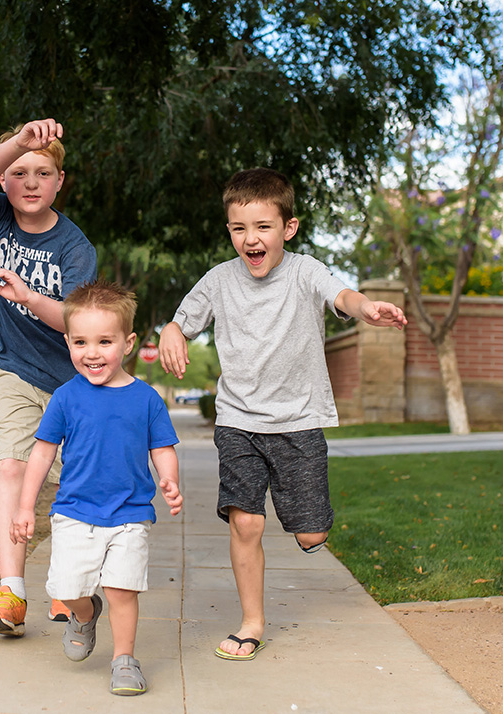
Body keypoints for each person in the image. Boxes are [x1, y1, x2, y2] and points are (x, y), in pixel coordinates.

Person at [158, 167, 407, 661]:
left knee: (312, 532)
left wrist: (367, 309)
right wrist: (171, 331)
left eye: (263, 227)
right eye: (238, 229)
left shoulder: (304, 270)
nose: (251, 239)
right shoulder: (219, 279)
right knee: (245, 523)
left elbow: (343, 295)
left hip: (298, 422)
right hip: (238, 422)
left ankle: (298, 507)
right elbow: (181, 321)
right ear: (229, 230)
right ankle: (251, 622)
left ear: (287, 228)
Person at [11, 280, 183, 696]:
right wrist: (24, 506)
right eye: (81, 342)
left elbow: (162, 447)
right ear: (67, 341)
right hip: (74, 512)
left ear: (128, 343)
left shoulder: (146, 399)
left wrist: (170, 479)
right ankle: (84, 616)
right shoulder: (66, 398)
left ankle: (124, 659)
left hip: (129, 513)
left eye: (104, 341)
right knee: (68, 589)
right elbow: (41, 454)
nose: (92, 352)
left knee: (122, 588)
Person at [0, 118, 98, 636]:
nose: (32, 181)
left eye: (44, 171)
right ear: (5, 182)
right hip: (15, 368)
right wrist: (18, 141)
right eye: (19, 171)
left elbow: (78, 321)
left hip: (73, 381)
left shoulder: (74, 246)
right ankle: (11, 592)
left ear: (60, 181)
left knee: (69, 486)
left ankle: (69, 586)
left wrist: (28, 297)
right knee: (12, 470)